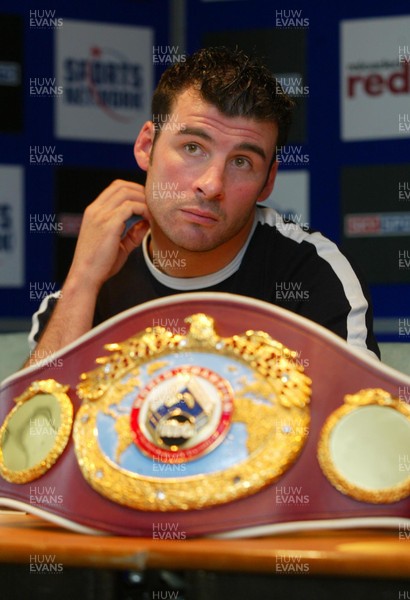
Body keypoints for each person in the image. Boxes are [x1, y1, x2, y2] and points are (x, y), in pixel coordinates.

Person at [28, 46, 380, 364]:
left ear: (268, 181)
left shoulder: (314, 274)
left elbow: (357, 428)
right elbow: (31, 431)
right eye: (193, 148)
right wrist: (82, 282)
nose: (211, 185)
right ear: (147, 146)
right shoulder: (89, 284)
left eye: (242, 162)